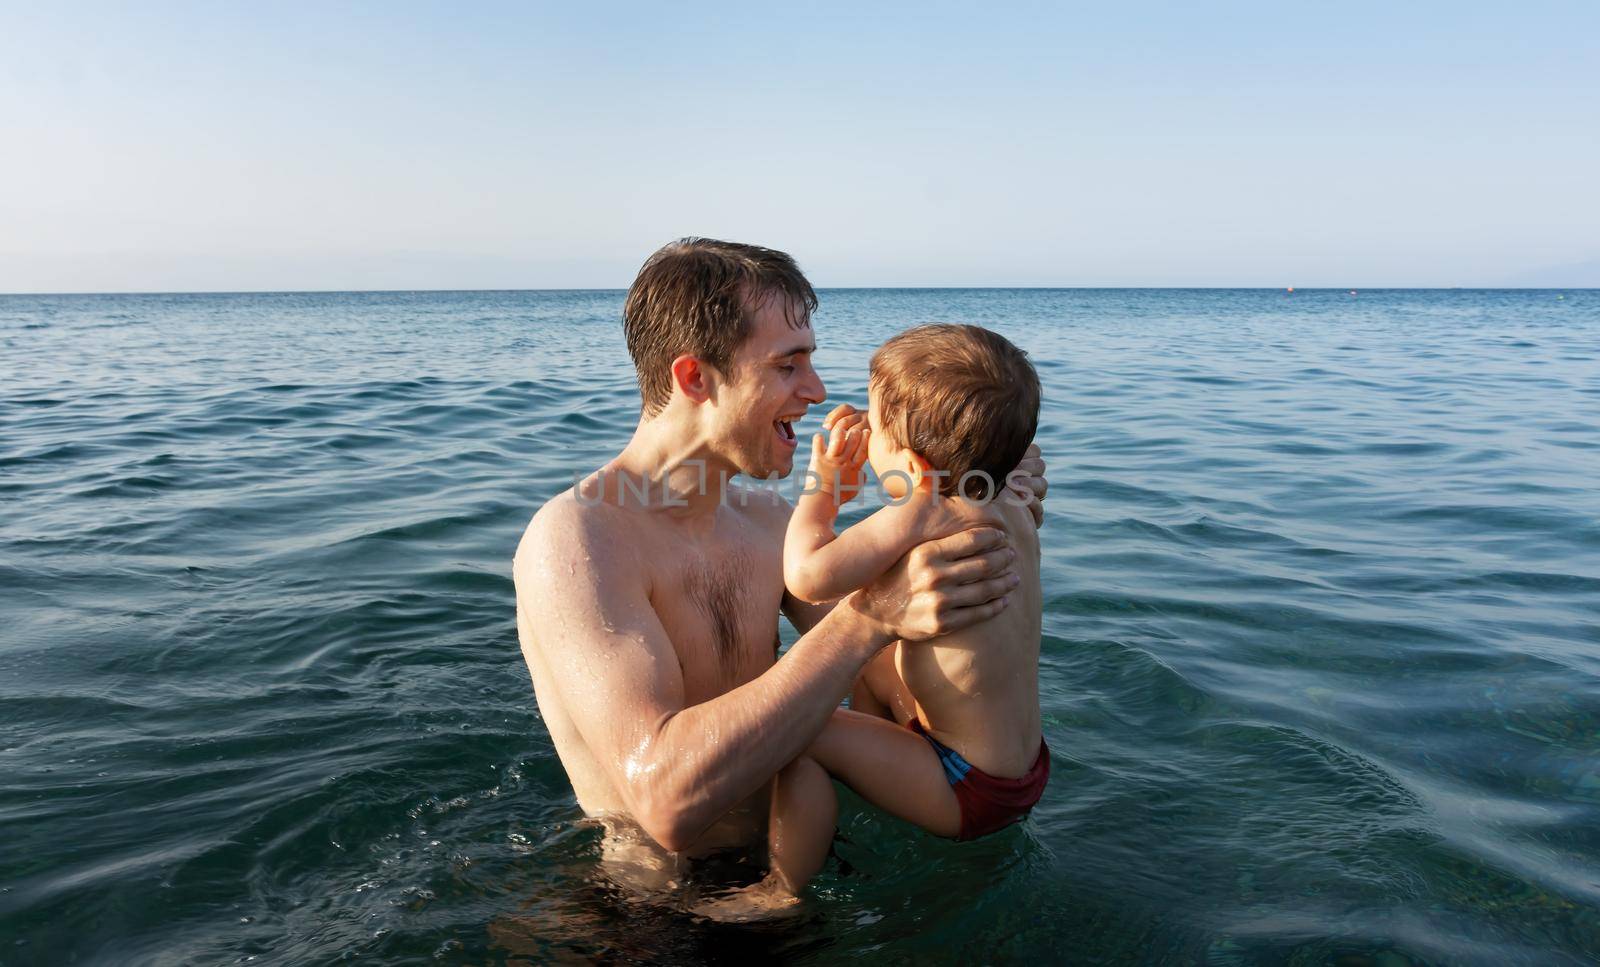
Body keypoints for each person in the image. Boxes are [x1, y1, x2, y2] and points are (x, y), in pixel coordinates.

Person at [512, 239, 1047, 892]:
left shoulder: (767, 524)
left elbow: (895, 681)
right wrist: (869, 616)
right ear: (694, 378)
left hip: (796, 868)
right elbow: (668, 800)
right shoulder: (577, 541)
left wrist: (982, 507)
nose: (818, 391)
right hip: (657, 913)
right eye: (788, 365)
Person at [727, 324, 1047, 910]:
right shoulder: (1011, 503)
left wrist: (821, 493)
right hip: (1018, 766)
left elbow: (806, 575)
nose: (865, 432)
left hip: (960, 784)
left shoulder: (923, 512)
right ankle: (874, 758)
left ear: (917, 468)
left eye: (875, 425)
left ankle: (777, 893)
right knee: (875, 662)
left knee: (799, 732)